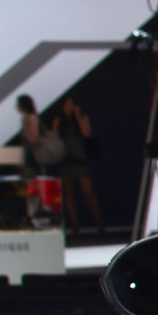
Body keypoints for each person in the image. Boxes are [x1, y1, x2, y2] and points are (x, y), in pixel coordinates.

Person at [48, 98, 104, 232]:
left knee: (88, 192)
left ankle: (100, 223)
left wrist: (78, 117)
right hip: (65, 160)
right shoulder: (58, 121)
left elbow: (87, 134)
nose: (69, 107)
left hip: (80, 159)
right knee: (69, 194)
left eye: (71, 104)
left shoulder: (82, 118)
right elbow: (54, 140)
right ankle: (75, 225)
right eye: (66, 105)